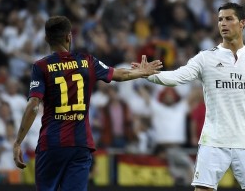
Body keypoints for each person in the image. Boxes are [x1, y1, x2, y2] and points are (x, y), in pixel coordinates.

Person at [12, 15, 162, 191]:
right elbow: (121, 75)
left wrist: (17, 142)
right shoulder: (87, 61)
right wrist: (142, 72)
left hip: (52, 144)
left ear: (46, 38)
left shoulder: (41, 67)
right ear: (69, 36)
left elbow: (33, 105)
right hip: (80, 144)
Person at [134, 2, 245, 191]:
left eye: (229, 19)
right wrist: (148, 74)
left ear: (242, 23)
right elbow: (176, 77)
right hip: (214, 141)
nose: (223, 23)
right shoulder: (206, 58)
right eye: (220, 19)